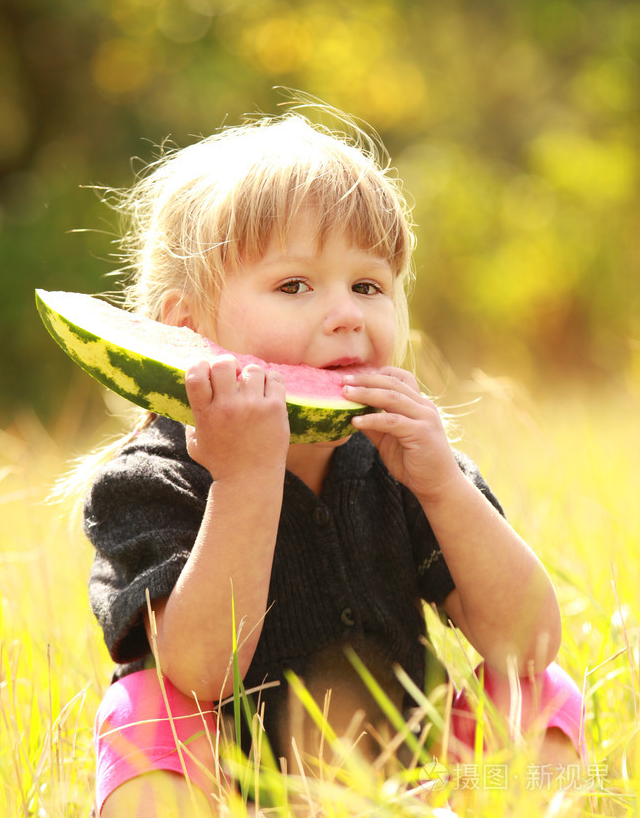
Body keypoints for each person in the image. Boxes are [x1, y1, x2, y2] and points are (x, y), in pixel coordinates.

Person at [76, 110, 585, 816]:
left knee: (540, 689)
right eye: (294, 285)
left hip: (412, 791)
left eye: (369, 285)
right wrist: (246, 480)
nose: (346, 313)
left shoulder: (403, 460)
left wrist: (442, 486)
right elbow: (198, 669)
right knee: (144, 710)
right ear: (185, 329)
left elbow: (526, 642)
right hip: (233, 794)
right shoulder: (148, 480)